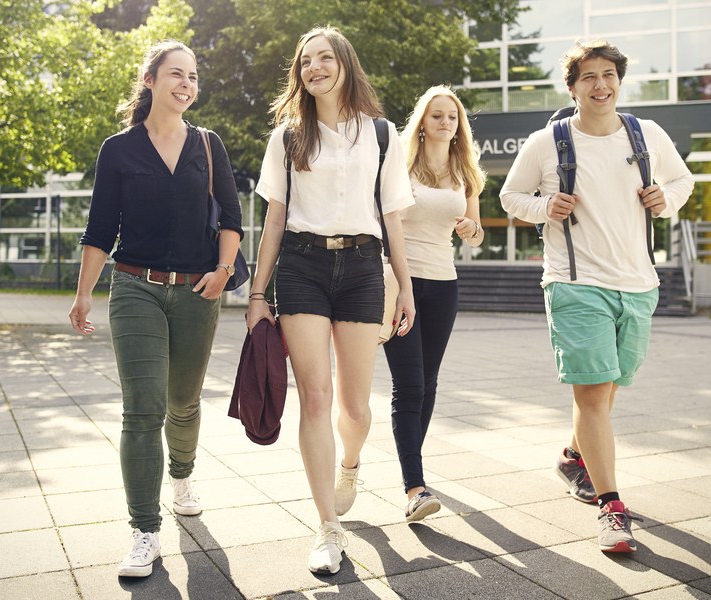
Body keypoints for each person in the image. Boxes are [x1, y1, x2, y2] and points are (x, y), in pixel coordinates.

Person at [500, 40, 694, 553]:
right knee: (592, 391)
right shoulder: (548, 142)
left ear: (619, 81)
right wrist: (546, 206)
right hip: (574, 281)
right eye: (588, 77)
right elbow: (509, 196)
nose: (600, 85)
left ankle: (572, 455)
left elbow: (682, 181)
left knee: (608, 391)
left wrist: (665, 198)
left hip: (638, 284)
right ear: (572, 86)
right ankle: (612, 507)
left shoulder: (645, 134)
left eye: (608, 75)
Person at [68, 40, 243, 578]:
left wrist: (221, 274)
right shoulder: (119, 150)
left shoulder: (209, 146)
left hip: (197, 292)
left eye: (192, 76)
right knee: (142, 408)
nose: (186, 84)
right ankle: (144, 529)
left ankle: (183, 474)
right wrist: (82, 296)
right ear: (150, 80)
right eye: (175, 74)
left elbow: (233, 220)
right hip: (135, 288)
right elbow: (101, 229)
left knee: (183, 403)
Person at [245, 26, 415, 575]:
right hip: (302, 267)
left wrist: (405, 285)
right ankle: (327, 527)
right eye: (306, 60)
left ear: (345, 63)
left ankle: (351, 462)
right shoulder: (288, 137)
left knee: (356, 407)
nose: (314, 67)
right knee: (315, 399)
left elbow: (392, 217)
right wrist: (255, 294)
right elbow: (273, 219)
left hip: (365, 268)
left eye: (324, 57)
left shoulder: (383, 134)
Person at [385, 85, 485, 522]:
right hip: (400, 284)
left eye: (452, 117)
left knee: (428, 382)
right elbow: (382, 221)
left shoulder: (466, 173)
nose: (446, 122)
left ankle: (413, 468)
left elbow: (478, 232)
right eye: (437, 115)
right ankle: (415, 487)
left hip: (444, 286)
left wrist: (470, 230)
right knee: (408, 385)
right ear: (422, 123)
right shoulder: (400, 166)